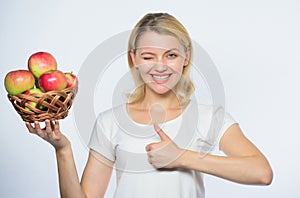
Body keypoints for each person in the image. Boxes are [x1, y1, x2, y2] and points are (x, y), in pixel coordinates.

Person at [26, 13, 273, 198]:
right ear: (134, 59)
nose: (160, 66)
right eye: (148, 57)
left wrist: (182, 157)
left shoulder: (209, 117)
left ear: (185, 57)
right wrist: (63, 150)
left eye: (171, 55)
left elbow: (261, 172)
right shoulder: (109, 122)